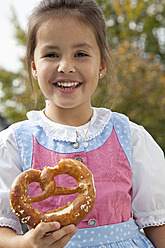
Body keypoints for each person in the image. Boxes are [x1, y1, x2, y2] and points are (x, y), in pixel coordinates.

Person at [0, 0, 165, 247]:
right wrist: (23, 244)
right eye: (51, 54)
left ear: (101, 65)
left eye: (81, 54)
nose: (66, 66)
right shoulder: (14, 143)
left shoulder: (130, 137)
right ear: (34, 66)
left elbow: (158, 225)